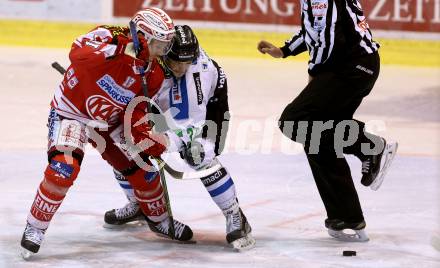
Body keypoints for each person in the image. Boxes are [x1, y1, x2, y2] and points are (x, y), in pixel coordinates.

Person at [20, 8, 194, 259]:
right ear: (143, 37)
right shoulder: (108, 36)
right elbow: (77, 54)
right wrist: (114, 51)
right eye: (159, 45)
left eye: (166, 46)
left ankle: (160, 221)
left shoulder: (153, 73)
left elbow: (136, 109)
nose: (162, 53)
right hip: (72, 113)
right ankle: (35, 227)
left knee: (144, 169)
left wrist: (142, 134)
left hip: (110, 121)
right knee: (63, 169)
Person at [103, 25, 255, 251]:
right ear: (164, 53)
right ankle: (138, 204)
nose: (182, 67)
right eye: (176, 62)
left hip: (210, 111)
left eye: (187, 62)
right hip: (164, 108)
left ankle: (235, 214)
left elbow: (189, 127)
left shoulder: (198, 74)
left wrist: (162, 141)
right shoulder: (153, 56)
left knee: (199, 154)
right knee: (126, 147)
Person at [257, 0, 398, 242]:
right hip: (347, 67)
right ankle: (346, 216)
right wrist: (284, 50)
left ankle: (370, 146)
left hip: (354, 67)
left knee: (294, 120)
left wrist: (314, 74)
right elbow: (313, 32)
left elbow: (332, 41)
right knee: (316, 138)